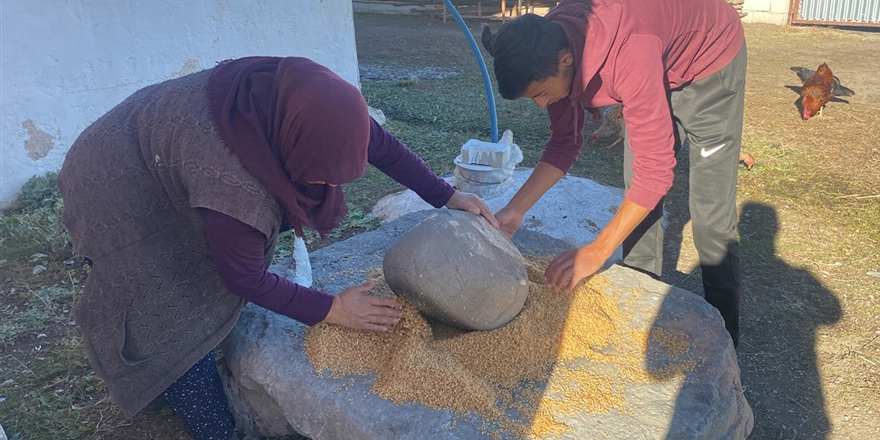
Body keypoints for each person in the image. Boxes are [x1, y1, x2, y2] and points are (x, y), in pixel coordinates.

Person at [57, 56, 497, 440]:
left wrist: (447, 195)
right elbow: (243, 276)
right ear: (291, 145)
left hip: (158, 143)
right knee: (167, 306)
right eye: (322, 178)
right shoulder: (235, 183)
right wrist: (332, 310)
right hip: (113, 183)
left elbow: (380, 144)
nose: (332, 188)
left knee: (209, 259)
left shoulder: (314, 106)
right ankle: (198, 416)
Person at [481, 0, 746, 346]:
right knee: (637, 202)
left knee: (710, 219)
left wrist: (597, 250)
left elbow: (656, 175)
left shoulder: (628, 53)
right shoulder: (552, 41)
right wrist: (515, 209)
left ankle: (724, 341)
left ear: (566, 60)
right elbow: (564, 143)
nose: (542, 105)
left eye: (542, 93)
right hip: (653, 56)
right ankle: (638, 315)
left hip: (710, 60)